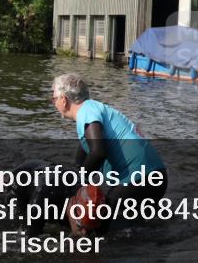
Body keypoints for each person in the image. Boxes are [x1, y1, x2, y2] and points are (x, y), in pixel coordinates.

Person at [50, 73, 167, 233]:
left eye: (53, 98)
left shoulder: (87, 112)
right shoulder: (93, 110)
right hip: (155, 174)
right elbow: (83, 156)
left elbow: (98, 152)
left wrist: (78, 186)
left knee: (97, 229)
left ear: (64, 100)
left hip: (138, 178)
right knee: (133, 231)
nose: (53, 103)